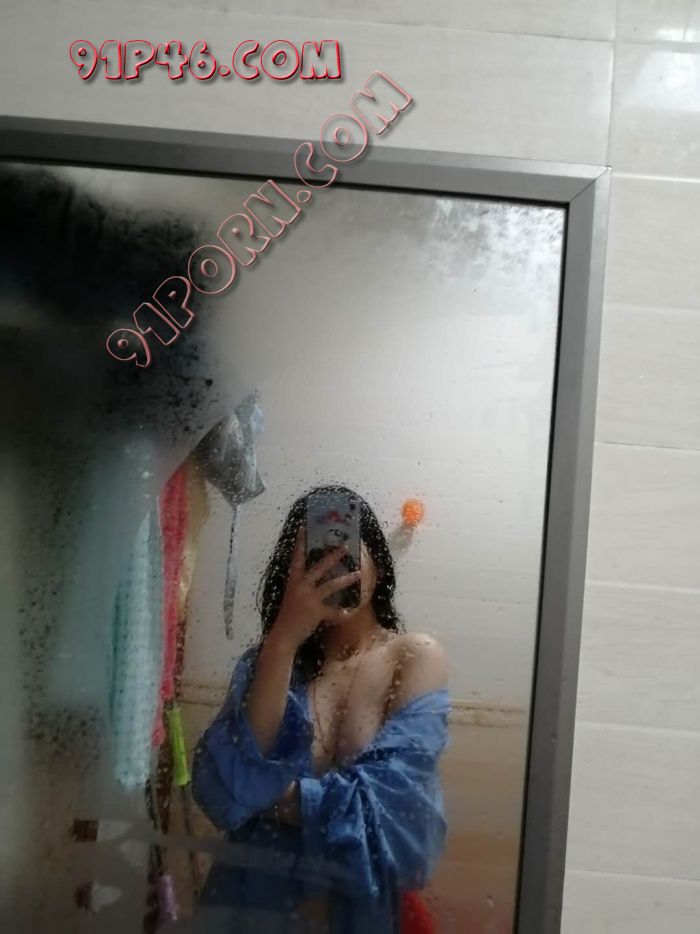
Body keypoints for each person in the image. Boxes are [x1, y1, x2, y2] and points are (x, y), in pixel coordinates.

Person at [191, 485, 450, 933]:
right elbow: (223, 793)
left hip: (351, 913)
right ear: (290, 573)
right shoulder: (271, 662)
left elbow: (402, 822)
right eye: (315, 555)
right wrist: (283, 641)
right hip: (245, 906)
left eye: (344, 549)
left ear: (377, 562)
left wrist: (268, 795)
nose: (331, 565)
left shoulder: (411, 658)